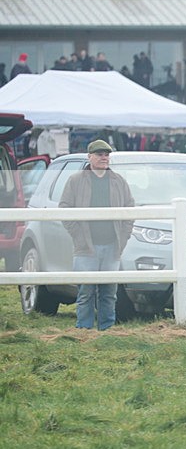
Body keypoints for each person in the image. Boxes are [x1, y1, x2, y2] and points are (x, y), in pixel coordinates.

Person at [59, 140, 135, 330]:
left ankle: (107, 329)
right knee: (86, 291)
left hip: (112, 245)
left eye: (106, 154)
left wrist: (123, 237)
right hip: (85, 247)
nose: (104, 158)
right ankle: (83, 330)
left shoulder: (119, 181)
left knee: (109, 292)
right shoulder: (76, 180)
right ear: (89, 157)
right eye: (100, 154)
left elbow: (130, 210)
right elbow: (65, 209)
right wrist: (78, 236)